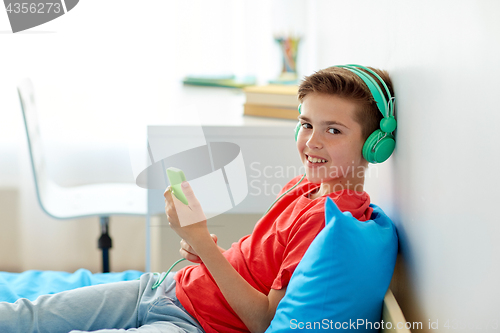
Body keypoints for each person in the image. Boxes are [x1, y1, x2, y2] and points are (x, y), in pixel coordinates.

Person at [0, 65, 395, 333]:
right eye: (306, 124)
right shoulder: (305, 187)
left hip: (191, 324)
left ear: (375, 144)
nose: (311, 142)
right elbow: (254, 263)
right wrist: (204, 251)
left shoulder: (329, 220)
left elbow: (262, 320)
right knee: (28, 315)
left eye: (334, 131)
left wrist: (205, 245)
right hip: (163, 287)